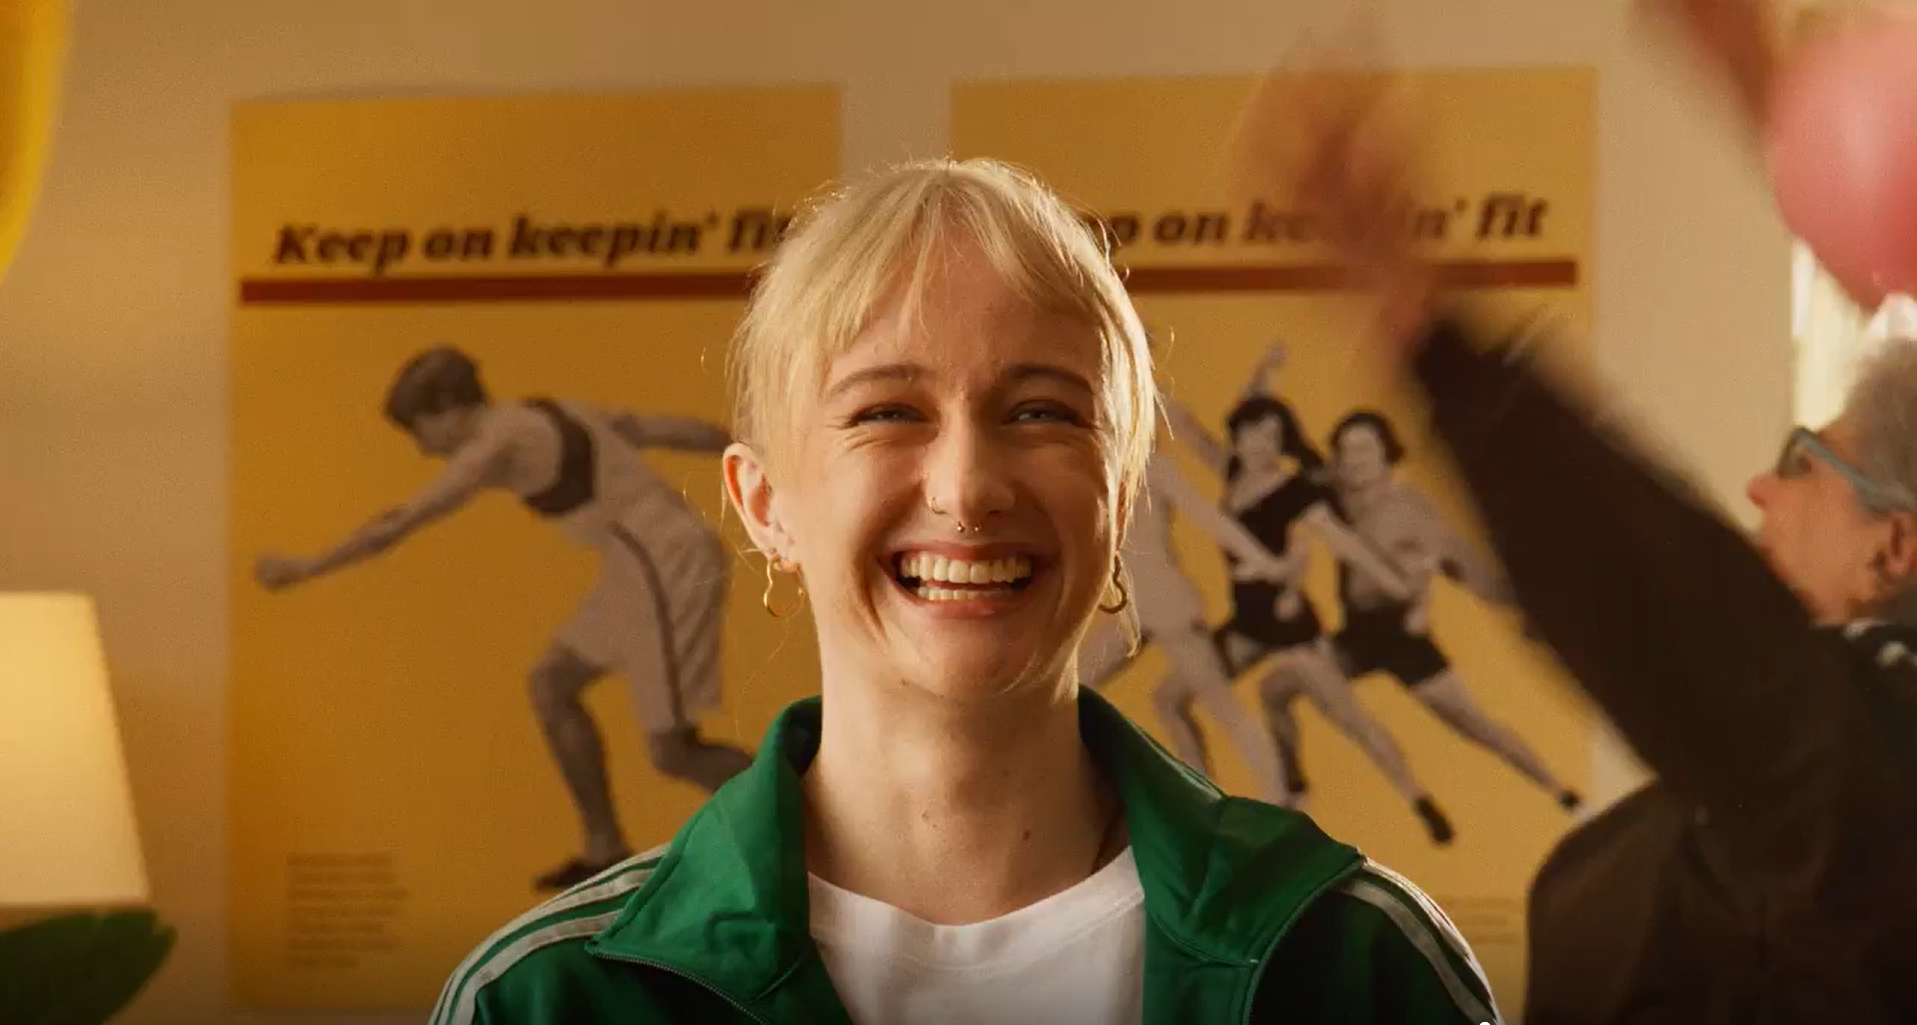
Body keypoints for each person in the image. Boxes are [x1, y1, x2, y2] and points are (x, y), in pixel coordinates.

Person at [429, 158, 1500, 1025]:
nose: (969, 487)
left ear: (1122, 497)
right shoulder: (544, 1000)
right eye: (886, 411)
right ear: (766, 507)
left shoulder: (1357, 963)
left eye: (1040, 411)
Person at [1275, 5, 1917, 1019]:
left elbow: (1719, 652)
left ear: (1895, 543)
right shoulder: (1640, 857)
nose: (1759, 485)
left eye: (1806, 460)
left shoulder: (1864, 787)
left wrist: (1431, 329)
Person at [252, 351, 752, 892]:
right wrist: (747, 450)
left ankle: (802, 824)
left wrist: (305, 568)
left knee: (673, 751)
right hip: (637, 563)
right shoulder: (549, 409)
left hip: (665, 561)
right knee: (552, 683)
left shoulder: (494, 443)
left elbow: (402, 520)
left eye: (419, 431)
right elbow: (661, 428)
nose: (422, 449)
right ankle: (604, 847)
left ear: (448, 409)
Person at [1166, 345, 1457, 843]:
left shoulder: (1296, 490)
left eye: (1274, 436)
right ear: (1238, 437)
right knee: (1172, 696)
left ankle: (1417, 796)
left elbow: (1346, 545)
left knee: (1350, 718)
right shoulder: (1234, 474)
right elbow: (1191, 428)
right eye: (1254, 433)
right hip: (1246, 624)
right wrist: (1260, 374)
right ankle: (1229, 802)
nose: (1263, 443)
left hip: (1290, 628)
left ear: (1283, 442)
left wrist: (1399, 586)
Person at [1256, 409, 1581, 811]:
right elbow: (1281, 458)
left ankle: (1559, 791)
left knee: (1473, 724)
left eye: (1364, 448)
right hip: (1357, 634)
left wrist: (1526, 613)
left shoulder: (1413, 509)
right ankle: (1295, 789)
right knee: (1275, 689)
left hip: (1404, 637)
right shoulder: (1335, 491)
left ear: (1386, 452)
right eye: (1344, 450)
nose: (1353, 458)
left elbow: (1467, 570)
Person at [1075, 443, 1300, 803]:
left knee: (1223, 706)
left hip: (1168, 602)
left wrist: (1265, 563)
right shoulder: (1085, 468)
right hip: (1131, 605)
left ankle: (1280, 803)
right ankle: (1200, 800)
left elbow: (1209, 518)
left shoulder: (1153, 468)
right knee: (1072, 690)